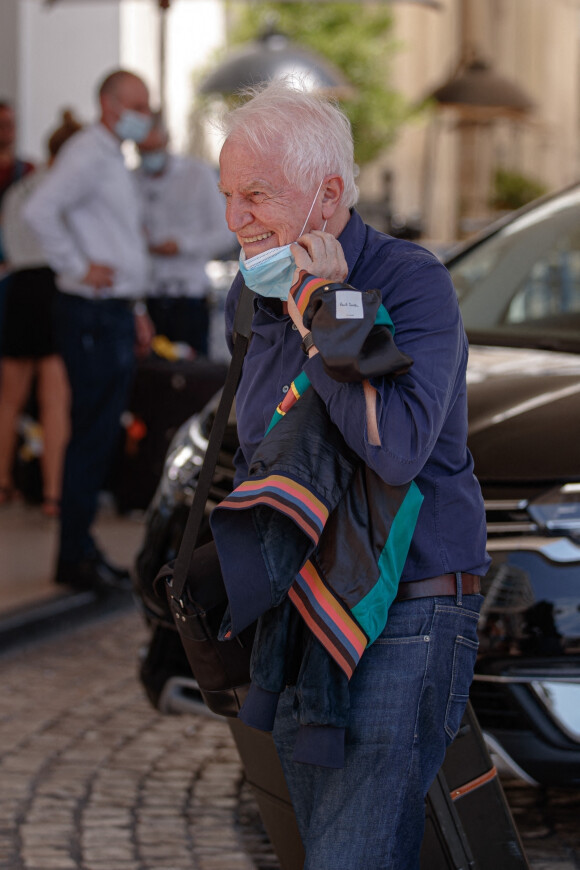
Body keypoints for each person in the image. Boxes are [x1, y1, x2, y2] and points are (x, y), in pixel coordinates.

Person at [216, 80, 490, 869]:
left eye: (257, 194)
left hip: (407, 611)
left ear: (327, 194)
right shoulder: (252, 294)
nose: (235, 220)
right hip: (303, 620)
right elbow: (262, 450)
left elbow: (396, 446)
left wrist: (326, 307)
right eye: (229, 195)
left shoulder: (410, 281)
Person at [23, 69, 154, 592]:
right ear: (109, 103)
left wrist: (137, 306)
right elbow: (40, 209)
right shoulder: (86, 152)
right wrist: (77, 268)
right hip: (91, 311)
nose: (146, 114)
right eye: (138, 104)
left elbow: (119, 239)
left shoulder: (110, 156)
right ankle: (74, 554)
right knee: (92, 434)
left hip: (113, 310)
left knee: (100, 434)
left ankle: (80, 548)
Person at [0, 109, 82, 514]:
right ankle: (53, 493)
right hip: (52, 286)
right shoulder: (64, 191)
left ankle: (2, 482)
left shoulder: (21, 187)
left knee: (8, 398)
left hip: (18, 289)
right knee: (54, 399)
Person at [135, 114, 236, 356]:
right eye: (143, 150)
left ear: (166, 139)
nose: (149, 156)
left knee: (191, 380)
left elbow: (226, 233)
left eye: (154, 148)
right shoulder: (132, 179)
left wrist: (181, 245)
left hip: (189, 297)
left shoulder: (197, 174)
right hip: (149, 297)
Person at [0, 100, 34, 267]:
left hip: (18, 258)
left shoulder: (29, 171)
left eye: (10, 124)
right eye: (2, 124)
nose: (7, 130)